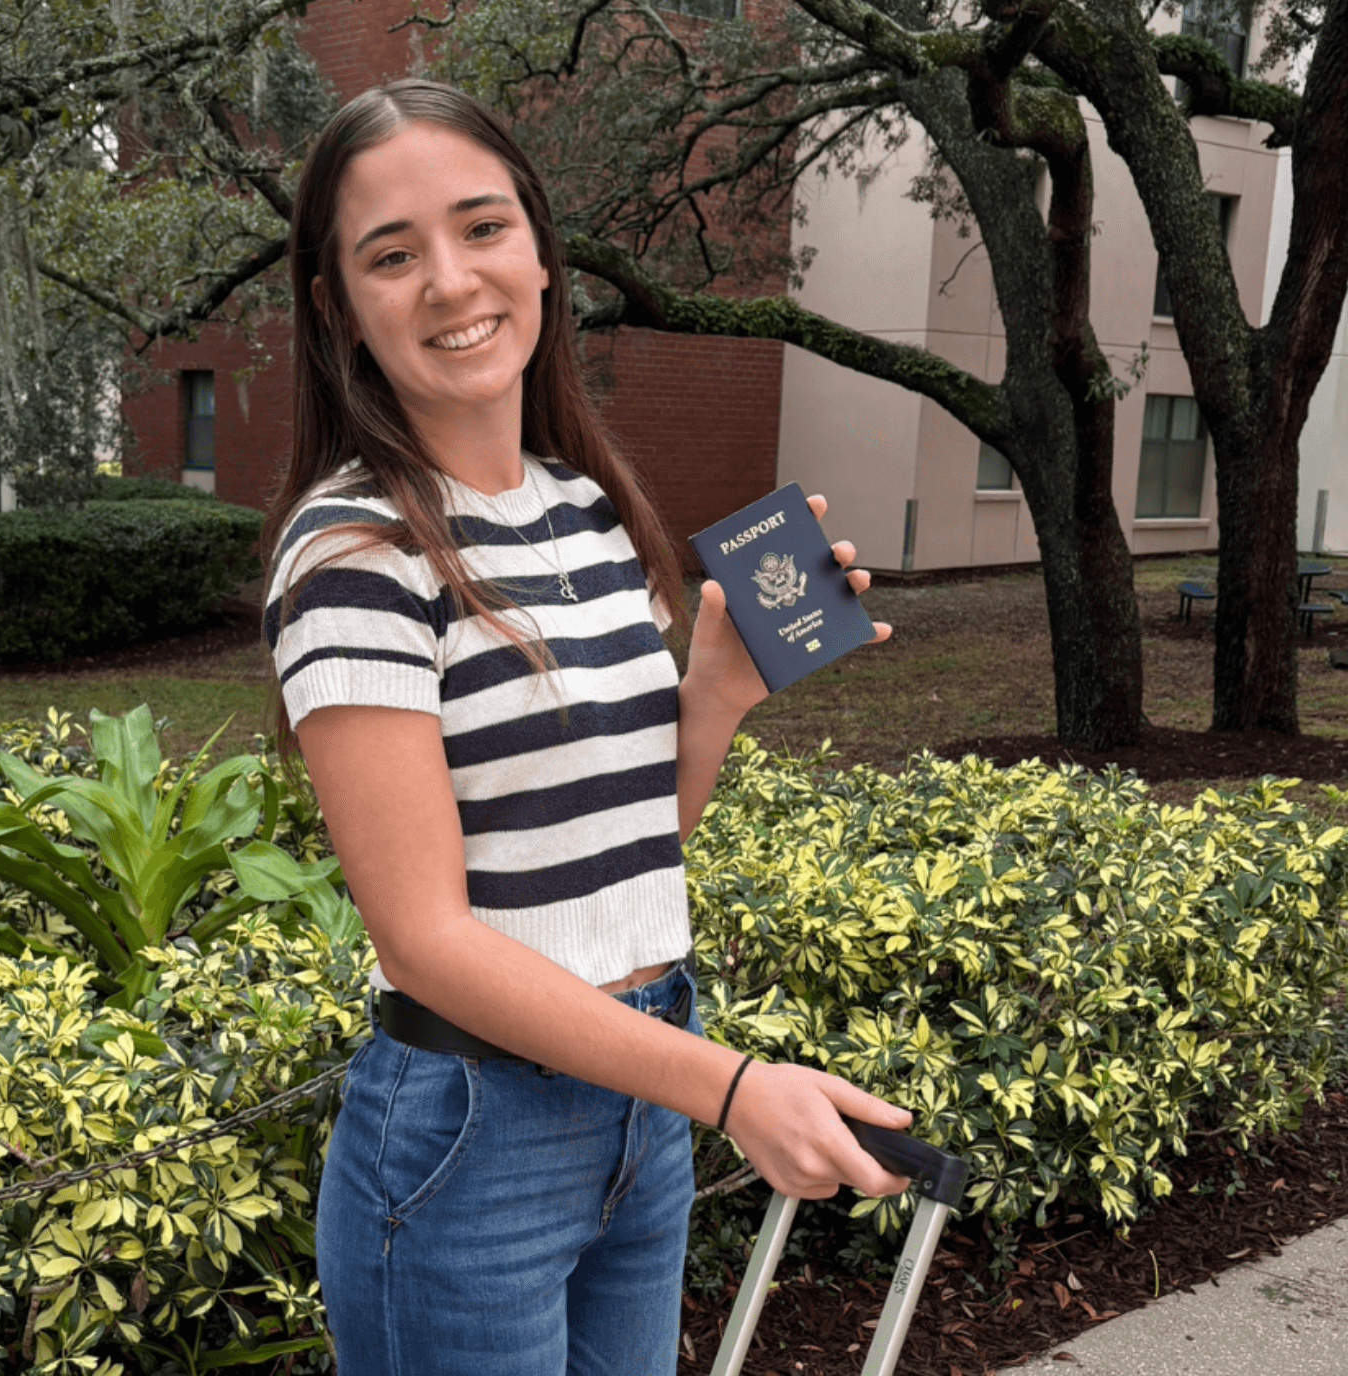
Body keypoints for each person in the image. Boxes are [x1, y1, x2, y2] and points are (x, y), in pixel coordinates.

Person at [260, 79, 912, 1376]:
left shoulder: (588, 507)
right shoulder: (355, 550)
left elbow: (620, 851)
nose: (449, 281)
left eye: (482, 228)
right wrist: (727, 1087)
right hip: (467, 1143)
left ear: (543, 256)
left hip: (639, 1108)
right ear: (340, 306)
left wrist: (715, 694)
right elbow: (430, 940)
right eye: (392, 254)